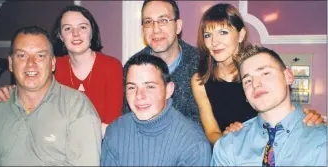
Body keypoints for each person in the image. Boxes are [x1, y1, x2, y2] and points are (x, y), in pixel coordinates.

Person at [191, 3, 323, 144]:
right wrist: (230, 141)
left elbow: (282, 107)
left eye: (223, 32)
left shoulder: (259, 67)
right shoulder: (200, 80)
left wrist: (307, 116)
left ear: (241, 35)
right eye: (207, 35)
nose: (214, 42)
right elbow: (212, 132)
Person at [0, 5, 123, 136]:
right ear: (60, 35)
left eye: (82, 27)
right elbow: (32, 92)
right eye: (67, 28)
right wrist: (9, 91)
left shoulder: (112, 66)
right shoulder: (53, 65)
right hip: (57, 144)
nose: (75, 34)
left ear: (92, 32)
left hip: (100, 146)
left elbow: (112, 126)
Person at [0, 26, 102, 166]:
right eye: (22, 56)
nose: (31, 63)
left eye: (40, 56)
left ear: (53, 63)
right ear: (11, 63)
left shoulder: (77, 107)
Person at [211, 45, 327, 166]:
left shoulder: (322, 140)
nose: (255, 84)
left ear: (288, 76)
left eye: (265, 73)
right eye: (248, 81)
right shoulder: (229, 145)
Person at [101, 54, 211, 166]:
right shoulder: (115, 131)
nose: (139, 96)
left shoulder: (193, 143)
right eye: (132, 87)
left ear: (169, 90)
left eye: (149, 87)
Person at [122, 0, 201, 125]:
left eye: (163, 20)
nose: (155, 29)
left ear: (178, 26)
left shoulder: (202, 63)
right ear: (142, 30)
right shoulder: (133, 67)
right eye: (148, 22)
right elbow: (128, 121)